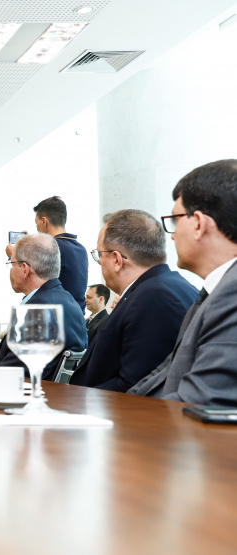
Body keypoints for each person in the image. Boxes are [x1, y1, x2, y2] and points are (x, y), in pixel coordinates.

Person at [129, 160, 237, 405]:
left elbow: (201, 402)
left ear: (198, 223)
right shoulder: (215, 291)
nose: (173, 234)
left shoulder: (232, 293)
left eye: (176, 220)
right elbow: (162, 375)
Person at [71, 210, 198, 392]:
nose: (99, 262)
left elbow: (136, 385)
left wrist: (76, 398)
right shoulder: (166, 286)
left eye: (100, 254)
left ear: (116, 259)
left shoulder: (154, 297)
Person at [0, 233, 87, 380]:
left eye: (11, 263)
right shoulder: (68, 300)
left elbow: (11, 373)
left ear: (24, 269)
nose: (10, 270)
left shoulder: (39, 309)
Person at [7, 197, 88, 313]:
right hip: (76, 313)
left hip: (51, 315)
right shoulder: (80, 249)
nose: (37, 227)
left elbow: (23, 283)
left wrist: (14, 257)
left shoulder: (54, 248)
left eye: (36, 223)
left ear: (44, 221)